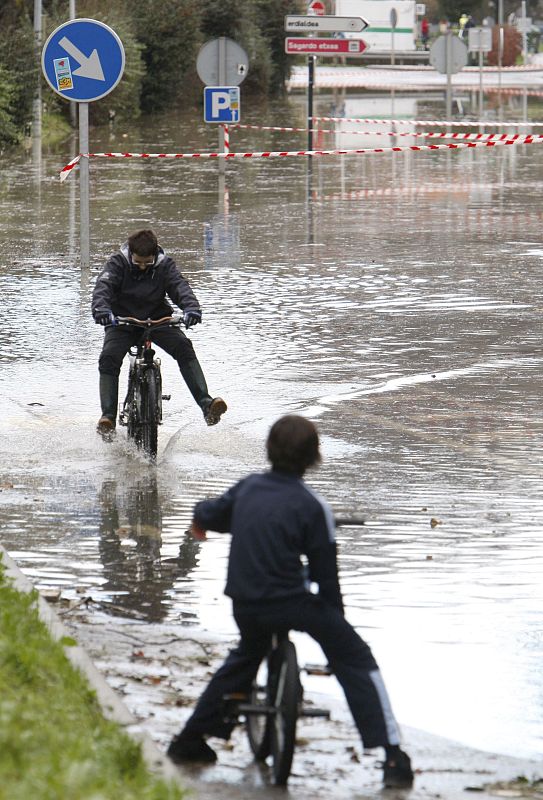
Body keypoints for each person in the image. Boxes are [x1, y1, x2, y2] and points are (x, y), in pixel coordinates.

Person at [167, 414, 414, 789]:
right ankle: (392, 755)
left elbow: (210, 513)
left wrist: (199, 521)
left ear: (268, 450)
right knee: (356, 657)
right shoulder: (313, 507)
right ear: (314, 458)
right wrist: (337, 629)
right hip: (291, 603)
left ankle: (189, 740)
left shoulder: (247, 489)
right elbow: (326, 579)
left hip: (245, 602)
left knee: (245, 655)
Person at [91, 228, 226, 434]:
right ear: (131, 255)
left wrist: (191, 309)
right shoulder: (117, 263)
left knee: (184, 347)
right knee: (108, 357)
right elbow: (103, 287)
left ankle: (207, 405)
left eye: (148, 262)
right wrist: (101, 310)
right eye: (138, 263)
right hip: (123, 322)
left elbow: (180, 286)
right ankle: (107, 418)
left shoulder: (165, 265)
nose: (143, 267)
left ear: (155, 255)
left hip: (158, 320)